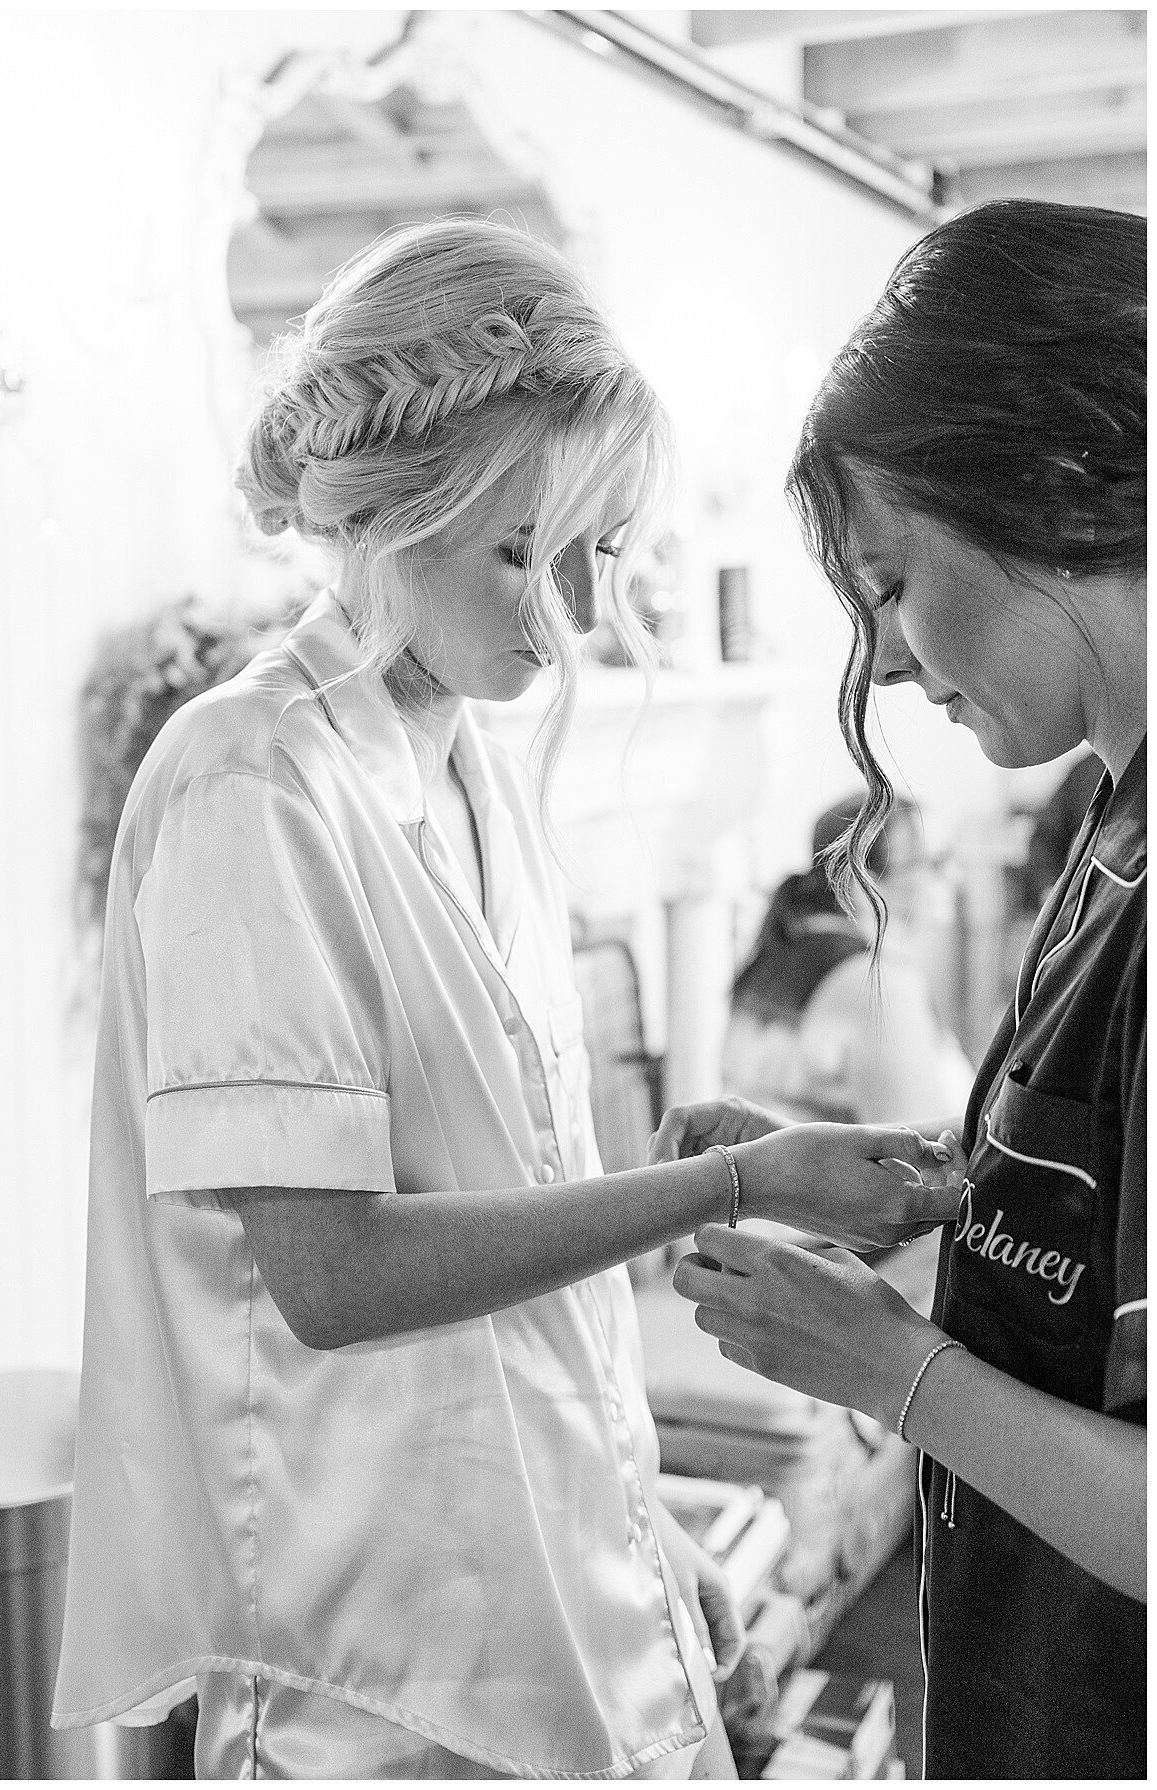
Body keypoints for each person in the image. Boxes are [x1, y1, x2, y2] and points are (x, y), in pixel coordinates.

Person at [50, 219, 958, 1781]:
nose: (576, 616)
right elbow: (331, 1272)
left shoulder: (482, 778)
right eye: (531, 551)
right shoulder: (250, 780)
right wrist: (730, 1181)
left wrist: (651, 1538)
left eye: (606, 552)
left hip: (561, 1642)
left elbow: (528, 1273)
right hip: (380, 1687)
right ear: (402, 509)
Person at [661, 199, 1145, 1779]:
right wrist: (921, 1190)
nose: (878, 666)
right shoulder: (1112, 826)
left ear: (1053, 491)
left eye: (886, 581)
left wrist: (888, 1366)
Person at [724, 791, 972, 1126]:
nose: (956, 877)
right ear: (863, 880)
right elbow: (921, 1155)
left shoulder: (775, 957)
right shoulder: (878, 985)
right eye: (938, 862)